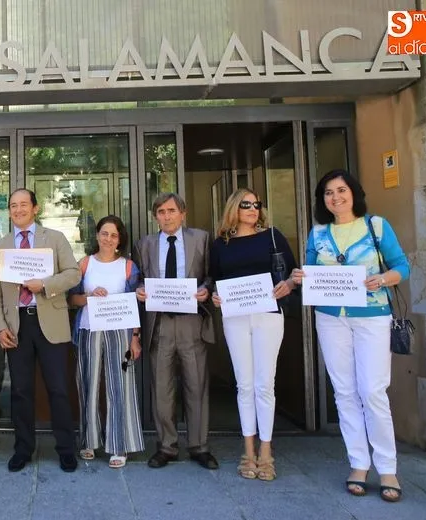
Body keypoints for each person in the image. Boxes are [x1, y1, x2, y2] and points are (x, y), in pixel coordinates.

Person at [291, 169, 410, 502]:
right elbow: (309, 270)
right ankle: (358, 463)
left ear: (354, 193)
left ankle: (387, 468)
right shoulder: (317, 233)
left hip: (372, 317)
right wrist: (300, 275)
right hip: (330, 318)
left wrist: (384, 279)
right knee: (344, 392)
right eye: (328, 193)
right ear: (323, 200)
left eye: (341, 190)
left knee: (372, 391)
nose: (335, 197)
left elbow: (402, 266)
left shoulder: (376, 226)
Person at [0, 188, 82, 473]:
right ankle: (23, 449)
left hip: (50, 323)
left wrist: (46, 284)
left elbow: (74, 273)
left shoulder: (54, 238)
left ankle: (66, 449)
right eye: (13, 206)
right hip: (17, 325)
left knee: (58, 390)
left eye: (23, 205)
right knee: (20, 391)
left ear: (35, 208)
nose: (18, 210)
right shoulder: (1, 245)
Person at [209, 190, 297, 481]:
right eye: (245, 204)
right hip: (235, 318)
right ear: (233, 207)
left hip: (268, 316)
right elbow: (215, 280)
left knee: (264, 384)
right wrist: (214, 295)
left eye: (256, 204)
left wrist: (288, 285)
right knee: (244, 385)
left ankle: (266, 452)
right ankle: (248, 450)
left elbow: (292, 273)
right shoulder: (220, 244)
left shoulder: (273, 236)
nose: (251, 208)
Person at [134, 192, 218, 470]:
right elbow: (141, 279)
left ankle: (199, 446)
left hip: (192, 321)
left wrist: (207, 289)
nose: (166, 217)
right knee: (162, 388)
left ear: (183, 213)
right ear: (155, 216)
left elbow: (211, 274)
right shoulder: (145, 244)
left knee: (197, 385)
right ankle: (166, 446)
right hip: (160, 324)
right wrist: (140, 291)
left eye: (171, 211)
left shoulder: (201, 239)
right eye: (160, 212)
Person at [67, 215, 144, 469]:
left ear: (120, 239)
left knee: (119, 387)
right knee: (87, 384)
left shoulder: (129, 267)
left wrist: (135, 337)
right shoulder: (84, 264)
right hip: (90, 330)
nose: (108, 239)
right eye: (104, 233)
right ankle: (88, 441)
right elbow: (72, 300)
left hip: (120, 332)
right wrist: (89, 296)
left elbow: (135, 305)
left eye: (113, 234)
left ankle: (118, 444)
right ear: (97, 235)